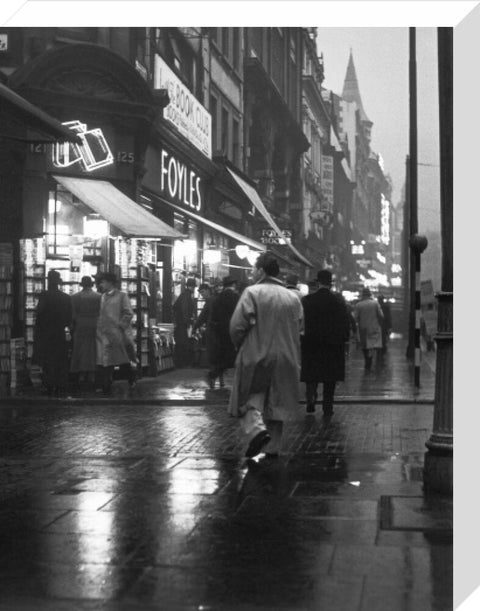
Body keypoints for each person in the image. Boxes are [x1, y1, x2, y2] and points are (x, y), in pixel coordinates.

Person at [229, 252, 303, 458]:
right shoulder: (292, 297)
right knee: (277, 403)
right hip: (287, 356)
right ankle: (273, 448)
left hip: (256, 353)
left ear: (261, 270)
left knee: (248, 396)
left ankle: (257, 432)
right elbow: (300, 327)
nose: (251, 273)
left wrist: (240, 345)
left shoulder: (252, 293)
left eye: (253, 269)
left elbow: (237, 326)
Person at [300, 269, 350, 418]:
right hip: (332, 345)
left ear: (318, 282)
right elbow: (344, 324)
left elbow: (301, 323)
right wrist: (344, 340)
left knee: (312, 375)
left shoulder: (307, 301)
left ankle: (311, 398)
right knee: (330, 378)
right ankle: (328, 407)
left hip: (312, 344)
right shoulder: (338, 302)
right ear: (331, 282)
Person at [32, 270, 72, 396]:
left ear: (48, 281)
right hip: (60, 333)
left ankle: (49, 385)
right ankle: (60, 385)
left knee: (48, 360)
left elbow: (39, 314)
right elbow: (69, 318)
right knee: (61, 359)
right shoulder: (66, 297)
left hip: (46, 334)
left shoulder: (44, 295)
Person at [96, 272, 136, 395]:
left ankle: (131, 379)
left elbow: (128, 313)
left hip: (117, 334)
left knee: (121, 359)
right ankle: (105, 385)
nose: (101, 284)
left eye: (103, 282)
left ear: (110, 282)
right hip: (103, 334)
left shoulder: (122, 296)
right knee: (105, 361)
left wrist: (121, 326)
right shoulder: (102, 297)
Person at [207, 275, 240, 389]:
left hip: (220, 331)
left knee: (223, 356)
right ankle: (215, 375)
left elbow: (213, 317)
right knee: (232, 357)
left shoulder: (217, 299)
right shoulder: (237, 298)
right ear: (234, 285)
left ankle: (215, 375)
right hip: (234, 330)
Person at [70, 275, 102, 390]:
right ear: (92, 284)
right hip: (95, 324)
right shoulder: (99, 297)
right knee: (93, 349)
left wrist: (73, 325)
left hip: (80, 324)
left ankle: (81, 374)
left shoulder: (74, 297)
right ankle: (92, 374)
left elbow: (73, 315)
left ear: (81, 284)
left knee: (80, 349)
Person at [355, 287, 384, 371]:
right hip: (374, 328)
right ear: (370, 294)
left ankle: (367, 361)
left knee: (364, 346)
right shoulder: (375, 303)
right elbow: (381, 315)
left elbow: (355, 317)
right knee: (371, 346)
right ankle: (369, 361)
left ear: (363, 295)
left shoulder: (359, 305)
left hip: (363, 329)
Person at [172, 277, 196, 367]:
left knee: (181, 343)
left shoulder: (184, 295)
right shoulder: (186, 296)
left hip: (181, 323)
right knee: (183, 344)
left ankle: (181, 363)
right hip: (183, 324)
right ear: (191, 287)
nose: (194, 289)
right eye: (193, 287)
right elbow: (184, 309)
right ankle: (182, 363)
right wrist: (188, 322)